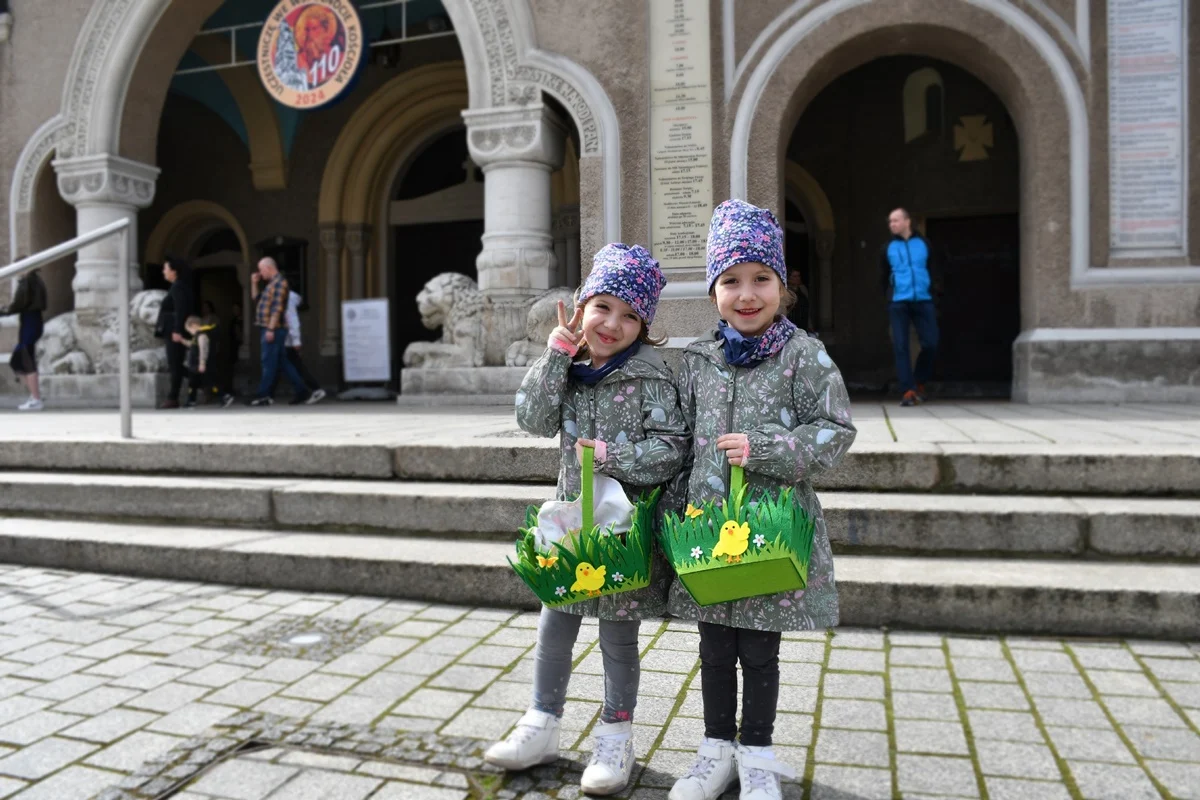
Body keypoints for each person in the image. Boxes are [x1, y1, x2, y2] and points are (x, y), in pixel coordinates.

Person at [668, 200, 856, 800]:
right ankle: (714, 749)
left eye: (760, 279)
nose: (746, 295)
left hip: (769, 534)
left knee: (760, 651)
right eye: (731, 281)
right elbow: (676, 440)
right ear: (714, 289)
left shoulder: (804, 356)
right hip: (708, 530)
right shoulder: (698, 360)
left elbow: (835, 430)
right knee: (714, 646)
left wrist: (769, 448)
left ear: (783, 285)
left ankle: (757, 754)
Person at [486, 243, 688, 796]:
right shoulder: (569, 370)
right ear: (581, 307)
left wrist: (615, 456)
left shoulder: (652, 378)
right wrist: (555, 353)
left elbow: (673, 448)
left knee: (618, 636)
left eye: (630, 316)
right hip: (572, 526)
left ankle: (616, 735)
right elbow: (532, 418)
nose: (613, 324)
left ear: (644, 326)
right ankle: (542, 722)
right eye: (603, 308)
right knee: (555, 622)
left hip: (622, 532)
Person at [880, 208, 940, 406]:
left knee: (931, 343)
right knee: (900, 346)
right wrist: (888, 296)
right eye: (890, 222)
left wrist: (934, 291)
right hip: (898, 302)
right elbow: (883, 276)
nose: (892, 225)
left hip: (923, 299)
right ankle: (908, 390)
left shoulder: (924, 244)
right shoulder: (887, 247)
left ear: (907, 221)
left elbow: (934, 268)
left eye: (895, 220)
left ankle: (920, 381)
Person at [248, 257, 309, 406]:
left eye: (261, 270)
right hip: (271, 328)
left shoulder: (280, 283)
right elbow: (256, 299)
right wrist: (254, 283)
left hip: (273, 329)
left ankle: (263, 395)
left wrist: (270, 328)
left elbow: (277, 308)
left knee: (268, 362)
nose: (260, 273)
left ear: (269, 268)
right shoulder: (271, 285)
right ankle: (302, 391)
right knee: (283, 363)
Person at [1, 260, 47, 411]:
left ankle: (36, 398)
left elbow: (18, 304)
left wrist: (3, 311)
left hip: (30, 322)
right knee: (21, 359)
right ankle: (34, 396)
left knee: (25, 359)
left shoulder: (28, 282)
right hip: (32, 321)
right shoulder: (35, 281)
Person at [271, 291, 325, 405]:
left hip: (287, 340)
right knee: (290, 366)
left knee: (295, 367)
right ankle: (304, 391)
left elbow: (292, 319)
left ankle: (313, 389)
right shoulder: (284, 296)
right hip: (286, 339)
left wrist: (296, 340)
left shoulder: (286, 297)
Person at [155, 257, 193, 409]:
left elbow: (180, 310)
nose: (163, 271)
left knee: (175, 364)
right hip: (172, 330)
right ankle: (201, 382)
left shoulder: (178, 287)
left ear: (174, 271)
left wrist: (177, 330)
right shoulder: (177, 287)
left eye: (165, 268)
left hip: (174, 331)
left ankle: (173, 397)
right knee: (175, 364)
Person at [182, 315, 235, 409]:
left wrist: (202, 363)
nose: (190, 333)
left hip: (202, 365)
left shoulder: (202, 335)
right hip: (195, 366)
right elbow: (192, 344)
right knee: (193, 383)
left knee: (210, 382)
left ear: (194, 325)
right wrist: (181, 340)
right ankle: (191, 401)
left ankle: (225, 396)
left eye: (189, 330)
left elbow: (204, 349)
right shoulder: (197, 336)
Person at [786, 269, 810, 333]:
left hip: (803, 322)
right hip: (791, 322)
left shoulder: (803, 289)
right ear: (788, 279)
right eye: (794, 276)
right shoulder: (785, 291)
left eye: (798, 276)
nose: (798, 278)